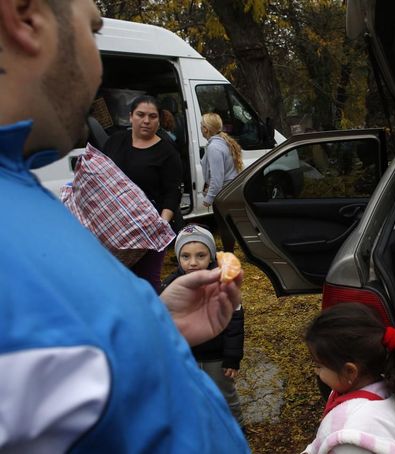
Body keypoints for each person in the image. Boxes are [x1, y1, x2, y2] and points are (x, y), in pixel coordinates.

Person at [0, 0, 248, 452]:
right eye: (92, 32)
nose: (98, 72)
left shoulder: (24, 198)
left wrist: (155, 329)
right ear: (24, 17)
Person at [303, 303, 395, 454]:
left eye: (319, 366)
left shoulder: (350, 439)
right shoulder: (383, 391)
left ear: (350, 372)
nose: (316, 371)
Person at [161, 224, 245, 429]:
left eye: (200, 255)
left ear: (212, 257)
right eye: (186, 256)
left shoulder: (223, 284)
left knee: (224, 393)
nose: (193, 263)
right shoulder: (169, 286)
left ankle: (236, 426)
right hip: (185, 356)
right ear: (178, 258)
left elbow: (235, 323)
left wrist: (232, 358)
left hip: (216, 357)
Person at [103, 95, 183, 292]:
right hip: (113, 226)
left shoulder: (167, 152)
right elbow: (101, 173)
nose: (146, 121)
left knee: (146, 283)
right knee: (114, 281)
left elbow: (172, 193)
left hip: (148, 229)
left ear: (159, 120)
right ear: (131, 117)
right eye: (140, 115)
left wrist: (161, 224)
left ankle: (152, 321)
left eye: (152, 116)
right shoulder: (115, 141)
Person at [200, 112, 243, 209]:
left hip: (225, 196)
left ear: (206, 129)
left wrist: (207, 201)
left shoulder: (214, 147)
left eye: (201, 125)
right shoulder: (223, 142)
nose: (200, 128)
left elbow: (217, 179)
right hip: (231, 192)